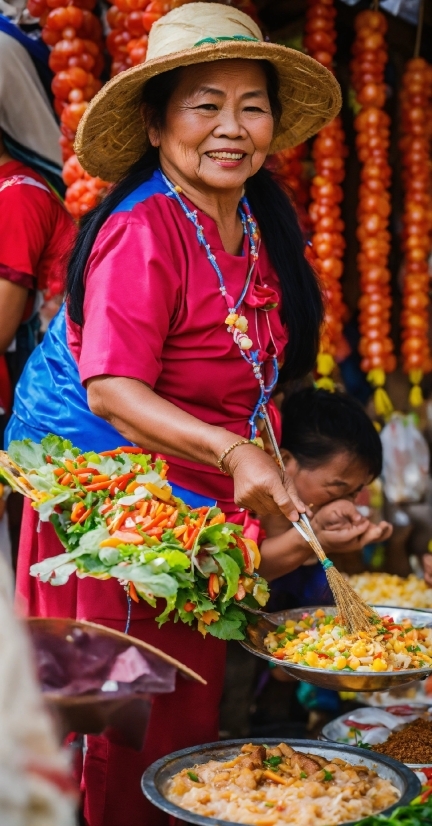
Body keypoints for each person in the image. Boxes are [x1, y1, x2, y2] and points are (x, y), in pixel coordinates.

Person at [6, 4, 342, 823]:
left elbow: (249, 374)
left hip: (192, 503)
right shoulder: (142, 229)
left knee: (183, 721)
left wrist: (272, 461)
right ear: (157, 124)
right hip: (115, 513)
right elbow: (111, 390)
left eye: (252, 106)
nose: (232, 128)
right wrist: (233, 454)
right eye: (206, 104)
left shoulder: (254, 223)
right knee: (128, 734)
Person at [258, 387, 393, 607]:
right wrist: (316, 535)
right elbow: (246, 574)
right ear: (285, 462)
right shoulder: (236, 516)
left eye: (355, 492)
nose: (346, 503)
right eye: (337, 489)